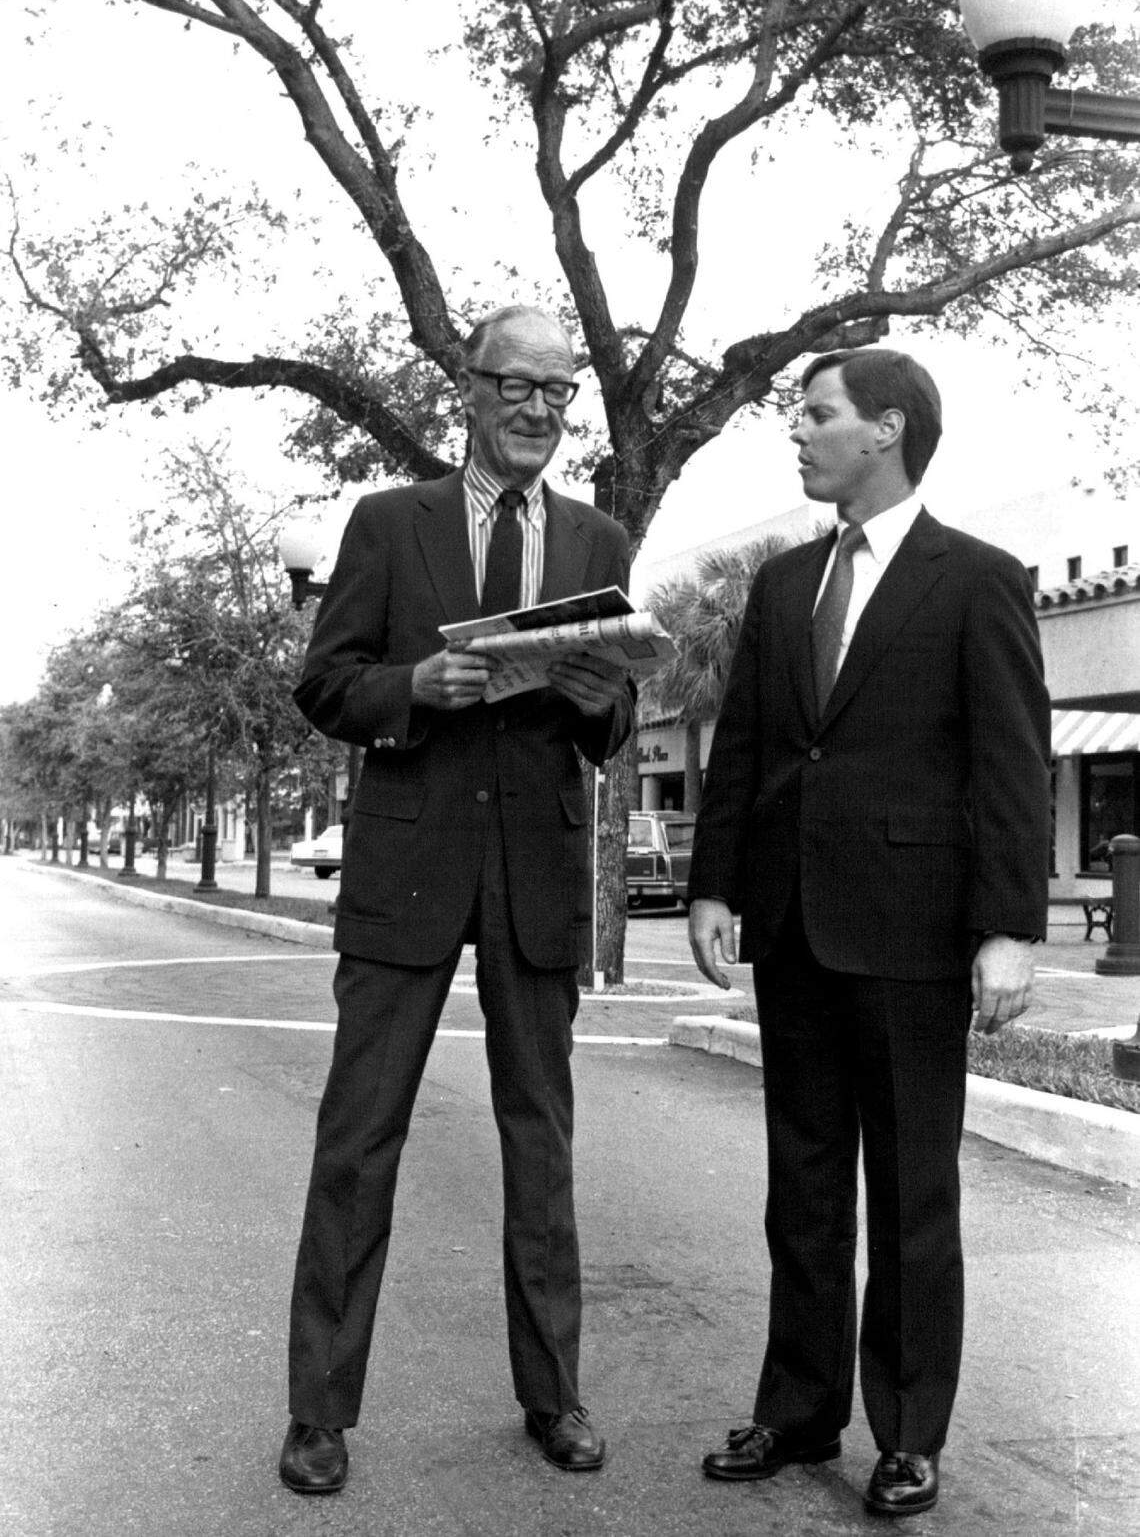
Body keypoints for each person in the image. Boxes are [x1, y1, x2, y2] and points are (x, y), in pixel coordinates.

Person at [687, 347, 1051, 1519]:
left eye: (818, 413)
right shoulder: (785, 585)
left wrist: (1009, 927)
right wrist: (712, 886)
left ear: (886, 429)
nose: (798, 430)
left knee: (909, 1193)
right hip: (792, 926)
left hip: (913, 935)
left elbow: (1009, 763)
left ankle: (906, 1430)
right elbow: (743, 745)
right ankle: (798, 1410)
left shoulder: (976, 578)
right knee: (800, 1188)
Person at [279, 306, 634, 1494]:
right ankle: (320, 1411)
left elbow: (619, 715)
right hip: (407, 873)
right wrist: (416, 685)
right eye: (519, 387)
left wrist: (595, 695)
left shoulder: (595, 537)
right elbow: (324, 683)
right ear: (471, 391)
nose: (539, 410)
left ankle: (555, 1394)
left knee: (542, 1146)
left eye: (559, 392)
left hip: (535, 873)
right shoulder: (389, 522)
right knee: (358, 1138)